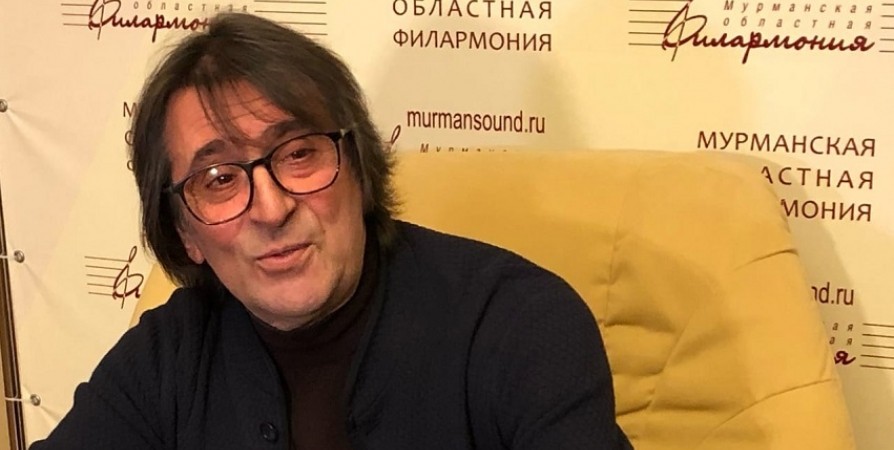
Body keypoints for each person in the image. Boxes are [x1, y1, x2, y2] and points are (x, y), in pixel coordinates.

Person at [32, 12, 632, 450]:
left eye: (298, 153)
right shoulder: (168, 357)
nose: (271, 209)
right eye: (219, 179)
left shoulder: (521, 324)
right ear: (186, 233)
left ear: (360, 169)